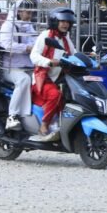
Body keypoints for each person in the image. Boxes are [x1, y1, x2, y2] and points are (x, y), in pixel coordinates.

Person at [30, 7, 77, 136]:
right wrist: (49, 61)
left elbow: (74, 54)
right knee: (55, 95)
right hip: (43, 77)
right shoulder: (45, 36)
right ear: (55, 22)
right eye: (62, 21)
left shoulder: (65, 38)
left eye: (67, 22)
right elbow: (34, 56)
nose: (65, 24)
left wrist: (88, 58)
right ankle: (44, 125)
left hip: (59, 78)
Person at [0, 0, 37, 130]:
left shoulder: (28, 25)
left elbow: (35, 40)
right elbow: (6, 45)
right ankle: (12, 116)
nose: (30, 15)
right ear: (19, 11)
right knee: (23, 80)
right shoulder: (8, 26)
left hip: (27, 65)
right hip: (10, 67)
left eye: (32, 12)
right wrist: (26, 48)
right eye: (28, 12)